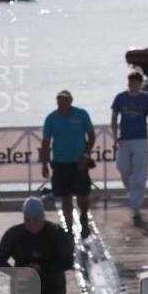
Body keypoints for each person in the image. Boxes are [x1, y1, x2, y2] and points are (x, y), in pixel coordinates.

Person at [41, 89, 96, 238]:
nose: (62, 103)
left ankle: (83, 217)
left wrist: (85, 156)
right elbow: (46, 142)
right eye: (59, 100)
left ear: (71, 101)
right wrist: (44, 164)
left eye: (65, 100)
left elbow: (91, 136)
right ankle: (69, 229)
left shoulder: (81, 114)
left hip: (80, 162)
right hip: (60, 163)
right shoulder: (51, 118)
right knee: (65, 197)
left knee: (83, 195)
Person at [111, 71, 148, 222]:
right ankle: (132, 190)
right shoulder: (121, 98)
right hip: (124, 139)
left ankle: (136, 206)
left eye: (134, 82)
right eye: (129, 81)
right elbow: (114, 117)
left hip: (140, 139)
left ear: (140, 83)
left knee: (140, 172)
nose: (131, 84)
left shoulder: (145, 99)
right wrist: (114, 136)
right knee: (122, 167)